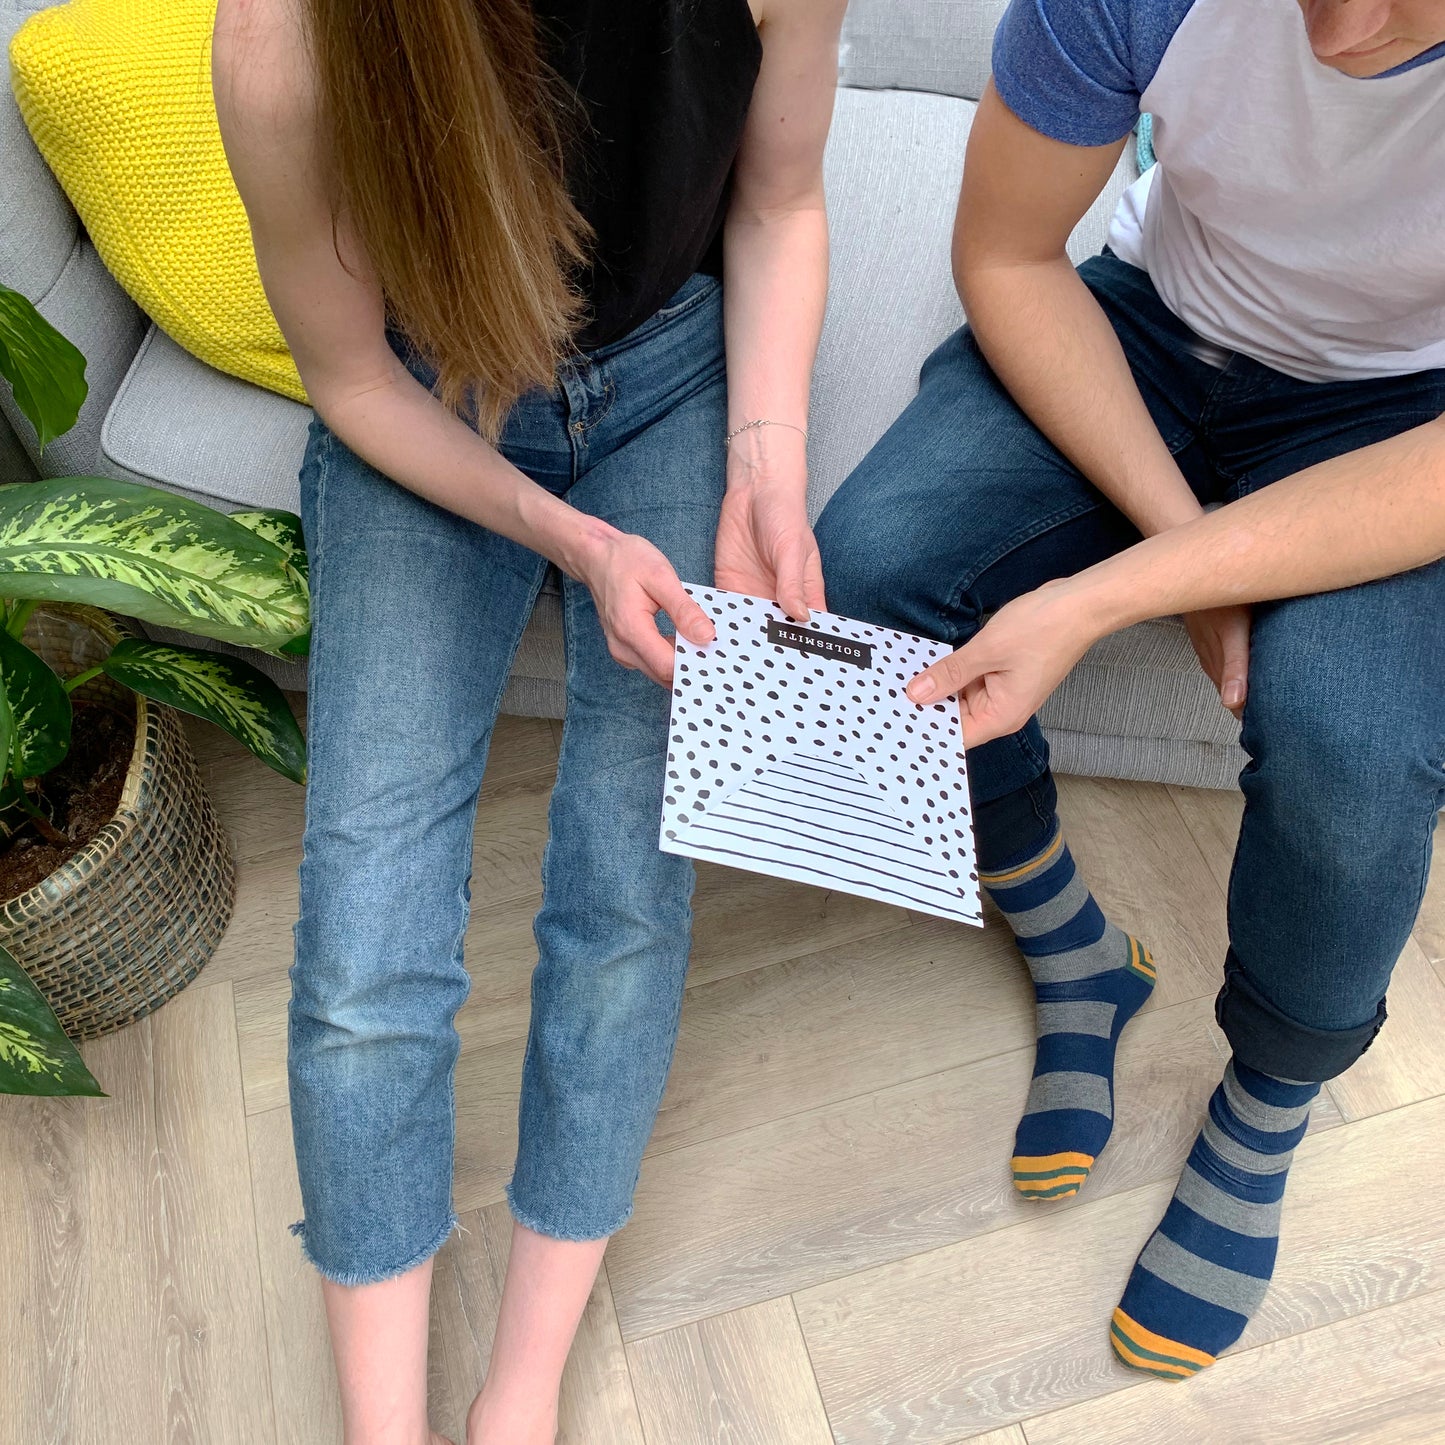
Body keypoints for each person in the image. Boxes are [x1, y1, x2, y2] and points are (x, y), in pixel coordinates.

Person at [212, 0, 842, 1439]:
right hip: (431, 408)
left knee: (628, 887)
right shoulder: (283, 42)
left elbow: (780, 197)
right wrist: (570, 537)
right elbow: (352, 377)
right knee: (366, 941)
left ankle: (522, 1388)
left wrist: (767, 465)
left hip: (676, 371)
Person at [816, 0, 1445, 1383]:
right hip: (1158, 326)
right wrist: (1184, 551)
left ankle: (1263, 1104)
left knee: (1356, 750)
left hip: (1403, 417)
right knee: (870, 572)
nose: (1341, 27)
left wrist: (1125, 587)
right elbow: (1004, 251)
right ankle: (1075, 949)